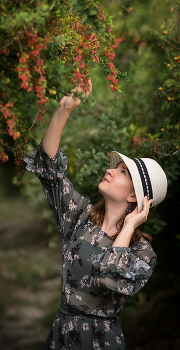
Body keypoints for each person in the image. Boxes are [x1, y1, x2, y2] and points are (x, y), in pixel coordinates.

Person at [23, 80, 167, 350]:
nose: (111, 171)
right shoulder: (80, 216)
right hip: (62, 334)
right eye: (117, 168)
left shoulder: (142, 252)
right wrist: (64, 110)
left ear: (134, 197)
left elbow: (110, 276)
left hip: (100, 341)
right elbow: (48, 167)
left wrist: (127, 228)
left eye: (123, 172)